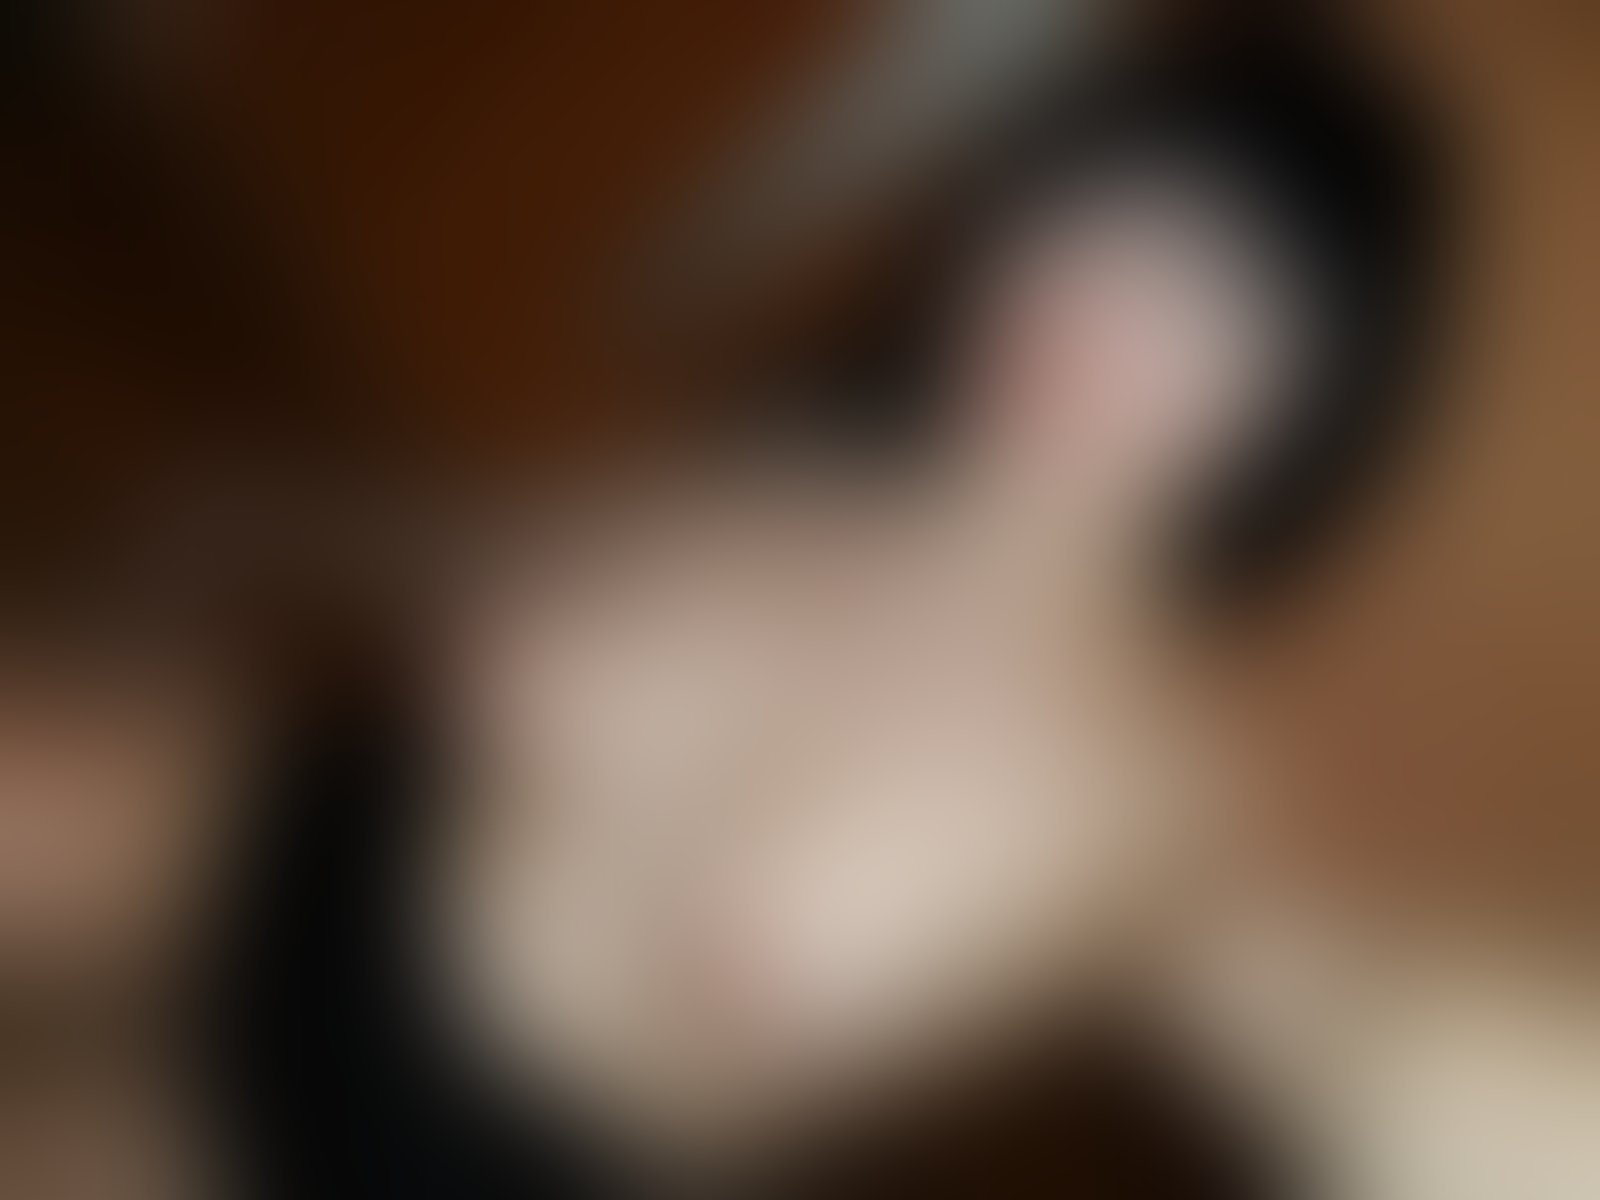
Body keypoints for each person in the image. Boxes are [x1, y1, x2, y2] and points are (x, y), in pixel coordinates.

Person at [418, 40, 1440, 1196]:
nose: (1106, 293)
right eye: (1104, 205)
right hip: (314, 916)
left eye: (1217, 282)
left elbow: (1371, 1063)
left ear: (1302, 406)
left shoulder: (1157, 777)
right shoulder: (807, 460)